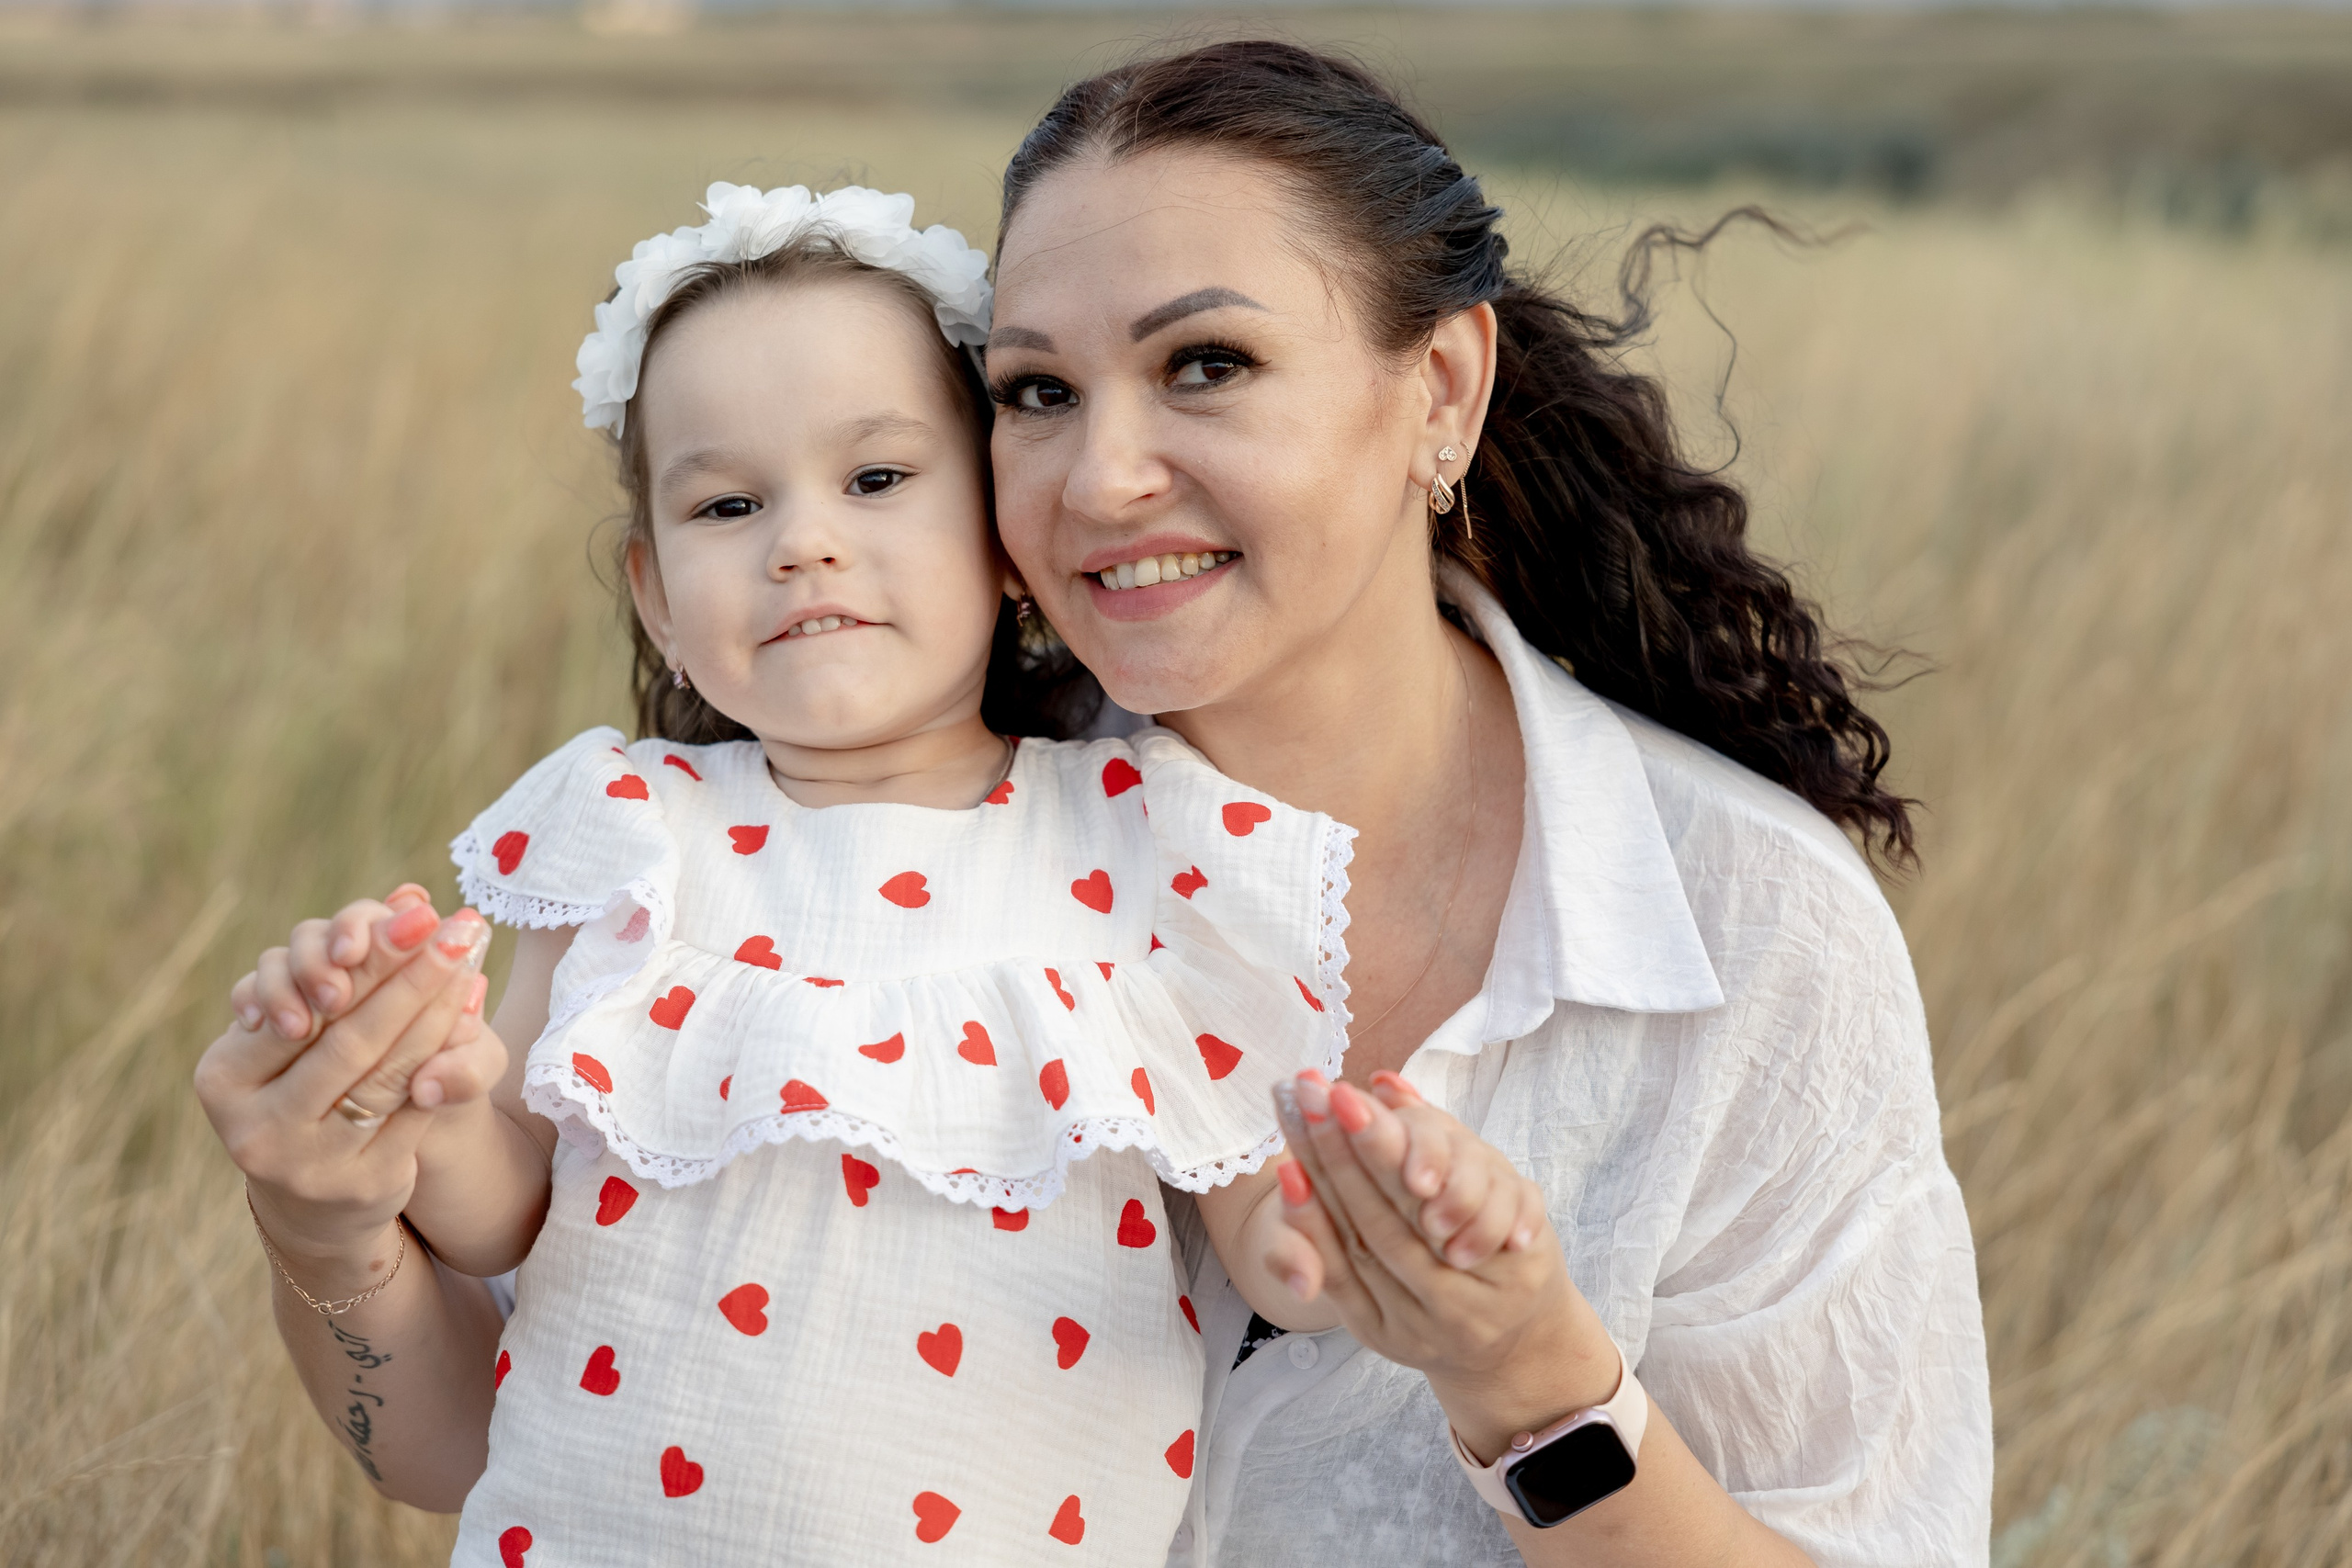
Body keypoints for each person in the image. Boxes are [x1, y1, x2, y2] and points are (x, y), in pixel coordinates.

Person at [196, 39, 1993, 1568]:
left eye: (1204, 363)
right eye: (1037, 392)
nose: (1104, 472)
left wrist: (1533, 1384)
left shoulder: (1742, 925)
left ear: (1435, 388)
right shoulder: (845, 831)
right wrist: (329, 1223)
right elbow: (461, 1435)